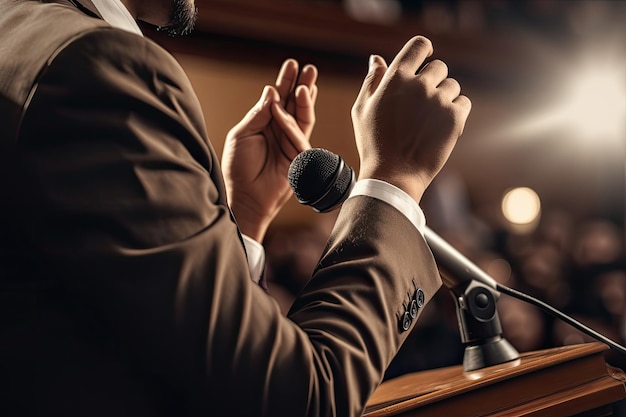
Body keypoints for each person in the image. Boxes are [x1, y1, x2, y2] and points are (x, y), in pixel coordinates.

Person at [0, 1, 471, 416]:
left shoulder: (20, 35)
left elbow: (109, 333)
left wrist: (243, 216)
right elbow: (298, 400)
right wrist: (395, 178)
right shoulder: (98, 65)